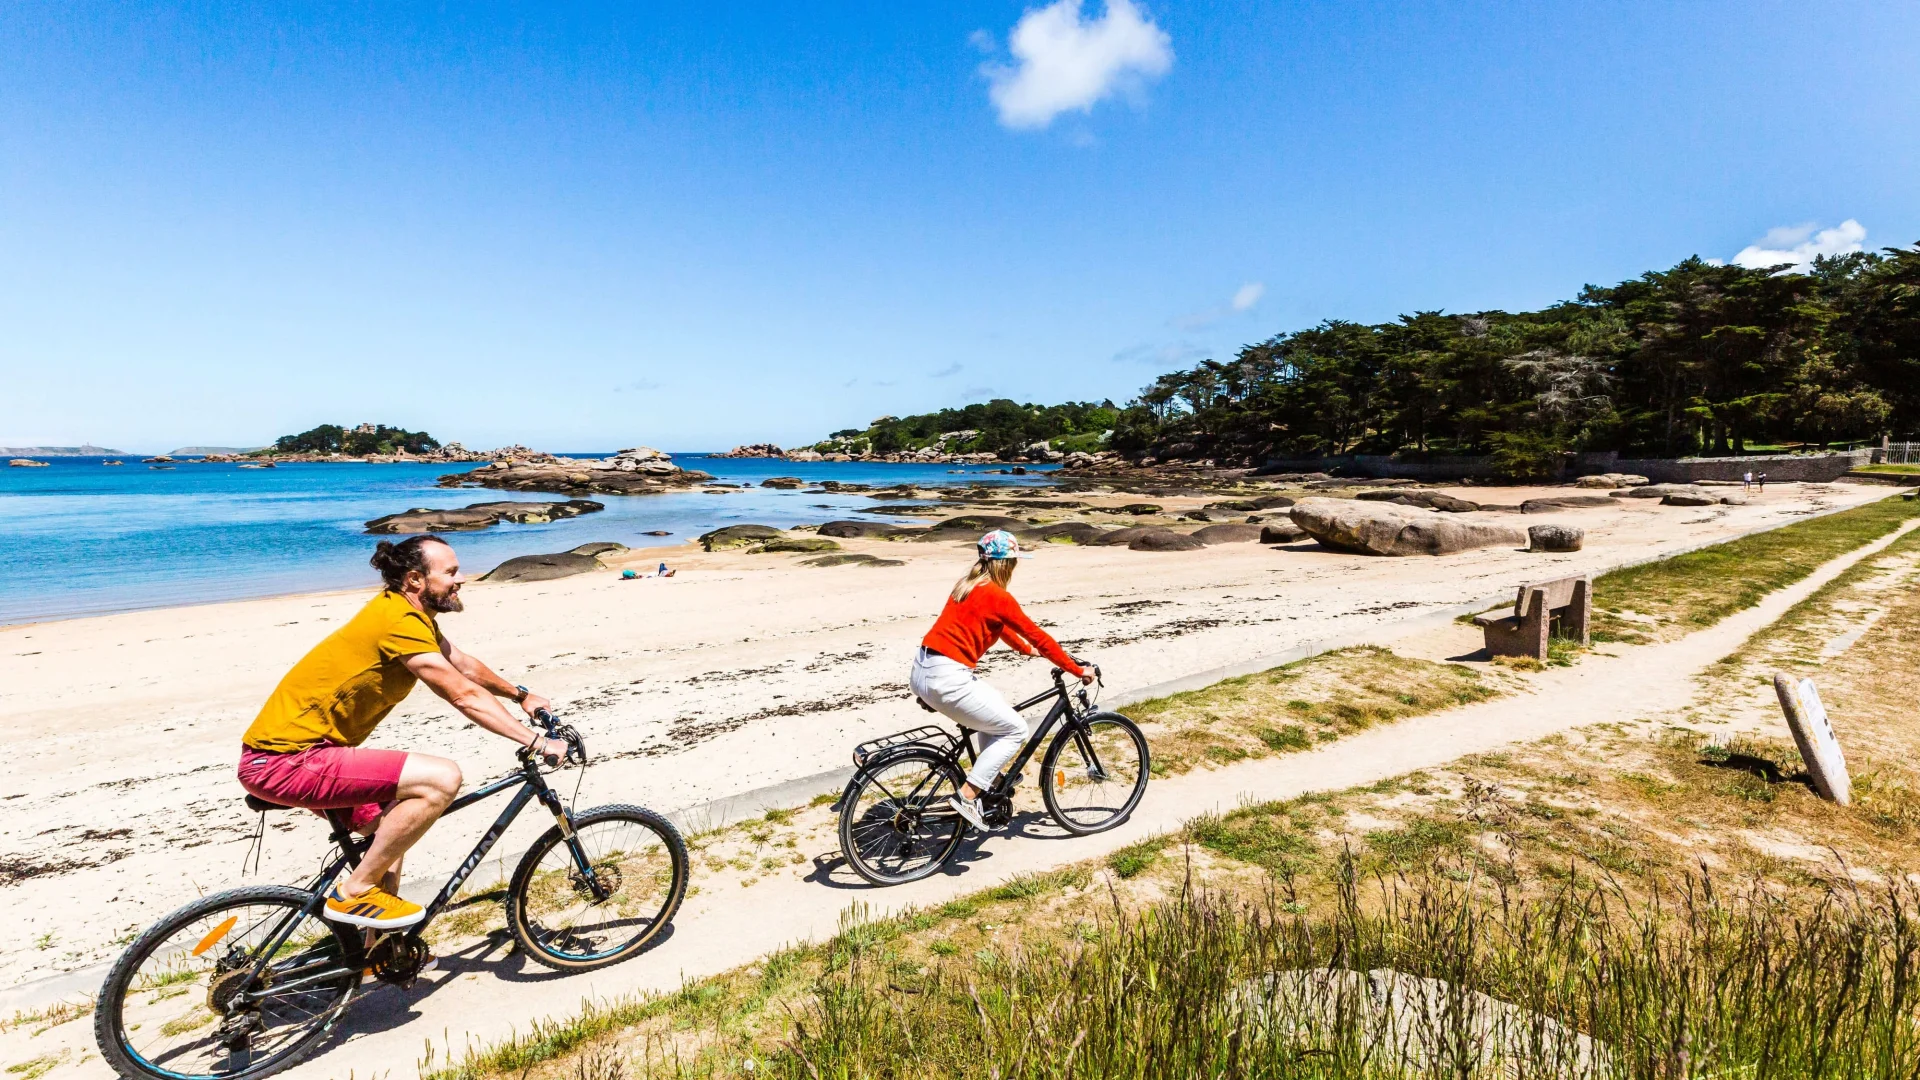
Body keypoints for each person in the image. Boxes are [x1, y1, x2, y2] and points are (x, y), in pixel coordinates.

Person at [236, 535, 566, 930]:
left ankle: (378, 951)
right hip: (287, 761)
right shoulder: (398, 623)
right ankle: (355, 891)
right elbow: (461, 694)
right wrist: (535, 741)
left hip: (301, 754)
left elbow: (460, 663)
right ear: (415, 580)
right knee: (441, 779)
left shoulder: (408, 613)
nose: (462, 579)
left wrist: (521, 695)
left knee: (393, 830)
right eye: (451, 572)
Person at [910, 529, 1091, 831]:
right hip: (948, 678)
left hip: (923, 669)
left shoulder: (967, 586)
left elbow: (1000, 626)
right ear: (1005, 564)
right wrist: (1076, 669)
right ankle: (967, 796)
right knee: (1015, 730)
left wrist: (1023, 649)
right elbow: (1041, 637)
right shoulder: (999, 596)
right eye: (1015, 562)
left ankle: (991, 776)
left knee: (995, 708)